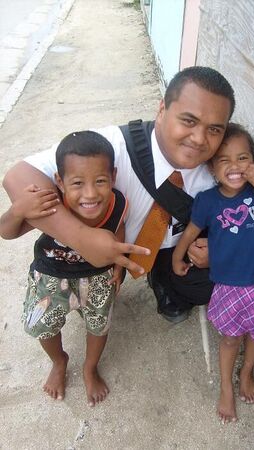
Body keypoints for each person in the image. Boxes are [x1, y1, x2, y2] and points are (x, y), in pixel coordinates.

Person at [3, 66, 235, 323]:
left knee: (212, 284)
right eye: (188, 121)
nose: (200, 138)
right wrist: (82, 238)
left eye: (214, 129)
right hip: (109, 244)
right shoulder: (114, 146)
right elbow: (18, 176)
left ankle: (162, 278)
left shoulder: (221, 170)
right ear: (161, 110)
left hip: (177, 247)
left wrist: (217, 250)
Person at [0, 130, 128, 406]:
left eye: (101, 181)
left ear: (114, 177)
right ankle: (59, 361)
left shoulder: (118, 202)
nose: (90, 194)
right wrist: (18, 210)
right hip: (49, 275)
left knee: (98, 326)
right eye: (78, 183)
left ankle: (89, 368)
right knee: (42, 327)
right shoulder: (49, 203)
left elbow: (120, 228)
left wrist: (119, 264)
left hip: (98, 277)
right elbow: (6, 232)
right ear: (60, 181)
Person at [172, 123, 254, 422]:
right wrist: (177, 258)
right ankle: (226, 387)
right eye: (224, 160)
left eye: (242, 158)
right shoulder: (208, 201)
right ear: (211, 167)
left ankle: (246, 372)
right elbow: (190, 232)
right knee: (230, 339)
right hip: (229, 286)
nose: (234, 167)